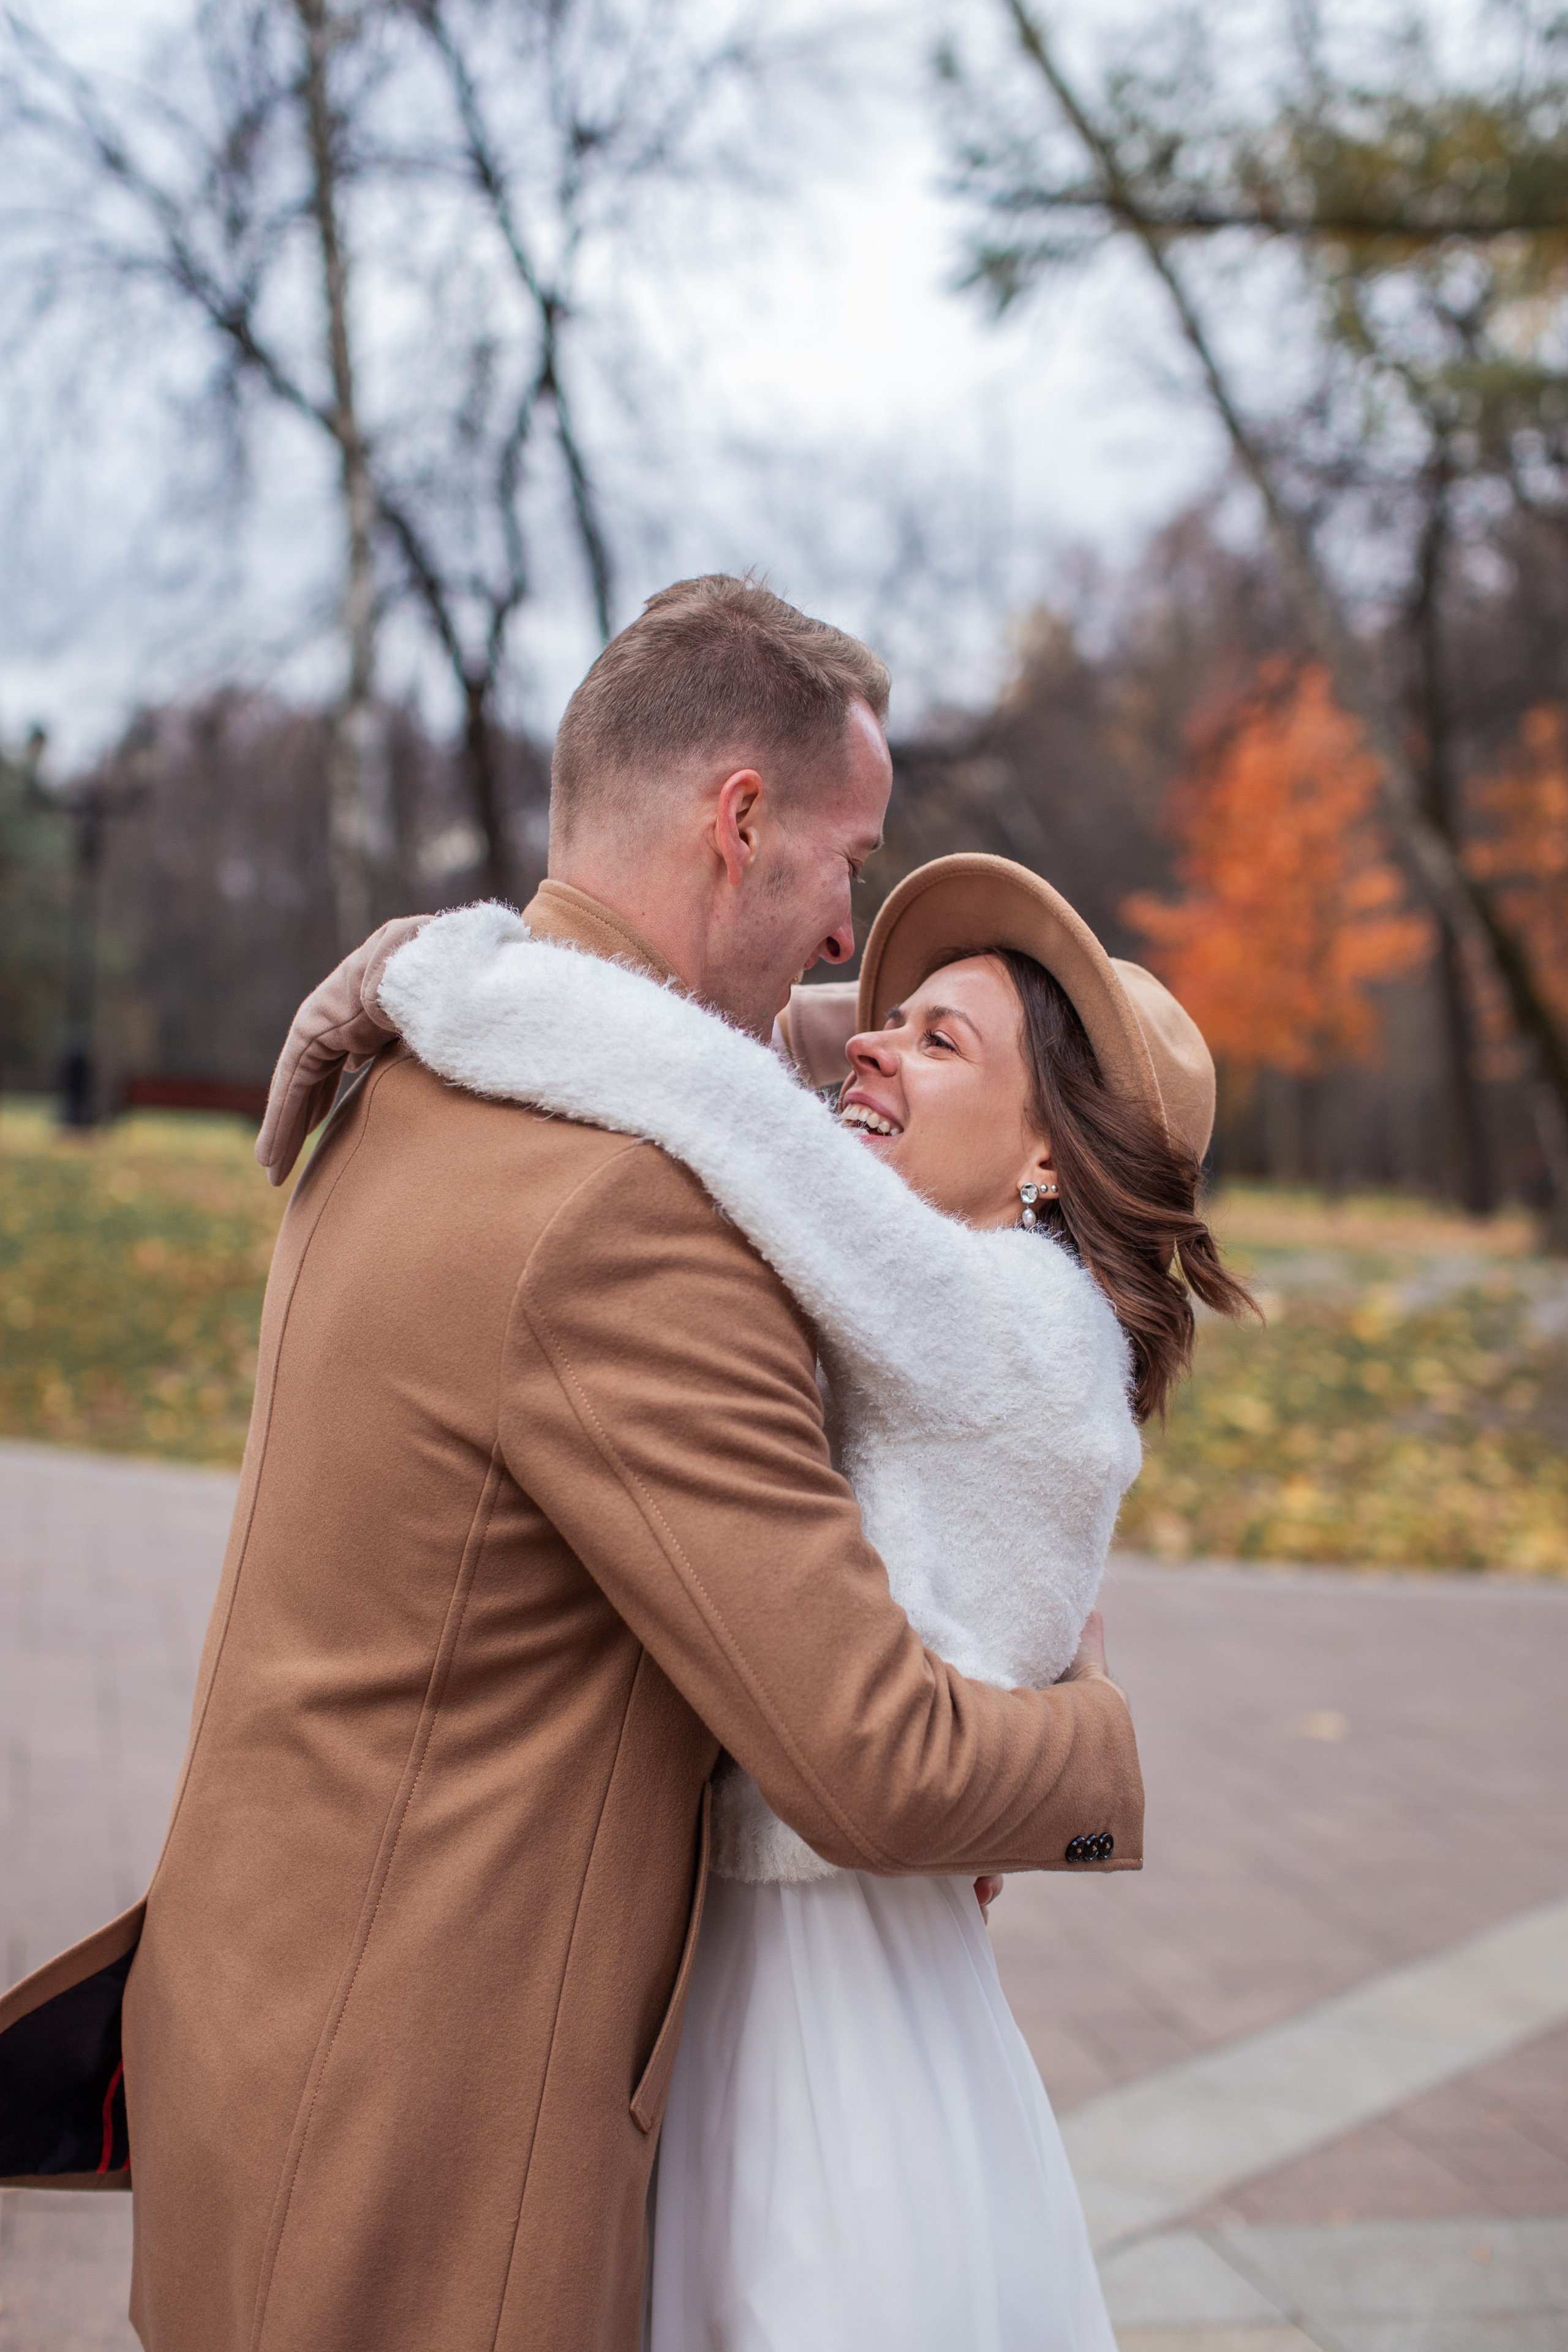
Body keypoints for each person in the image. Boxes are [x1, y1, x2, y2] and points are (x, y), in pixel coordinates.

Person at [0, 578, 1144, 2352]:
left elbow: (708, 1047)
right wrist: (1099, 1740)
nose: (851, 944)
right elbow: (869, 1762)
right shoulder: (629, 1211)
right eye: (849, 861)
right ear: (740, 821)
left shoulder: (421, 1070)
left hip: (253, 2045)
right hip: (422, 2164)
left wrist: (412, 951)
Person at [314, 843, 1251, 2351]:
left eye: (939, 1040)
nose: (865, 1038)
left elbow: (716, 1101)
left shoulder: (996, 1323)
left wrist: (439, 973)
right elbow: (791, 1067)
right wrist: (895, 1045)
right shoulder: (1007, 1309)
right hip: (829, 1947)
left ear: (1050, 1163)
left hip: (821, 1997)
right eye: (877, 1014)